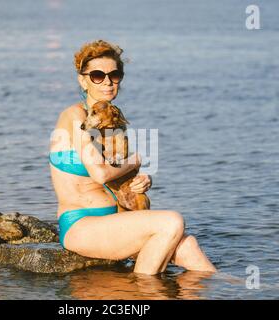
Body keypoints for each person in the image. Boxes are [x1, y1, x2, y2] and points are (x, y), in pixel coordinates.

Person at [49, 39, 216, 275]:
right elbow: (100, 174)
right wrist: (135, 161)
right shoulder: (75, 116)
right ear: (82, 80)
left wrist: (142, 179)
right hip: (82, 224)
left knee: (188, 245)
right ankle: (142, 293)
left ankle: (233, 289)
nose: (107, 81)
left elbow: (117, 175)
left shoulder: (113, 125)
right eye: (97, 75)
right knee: (172, 222)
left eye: (114, 75)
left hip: (120, 219)